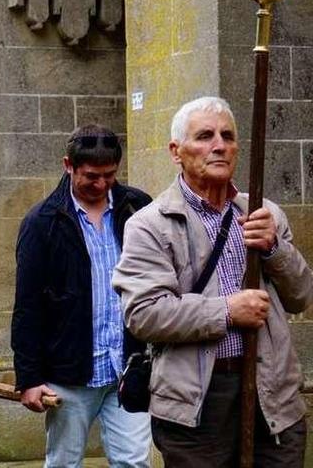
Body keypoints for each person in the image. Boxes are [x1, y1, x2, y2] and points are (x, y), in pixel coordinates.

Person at [112, 96, 313, 466]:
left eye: (227, 136)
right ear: (177, 151)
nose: (219, 145)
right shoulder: (150, 224)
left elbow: (301, 296)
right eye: (204, 136)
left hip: (272, 394)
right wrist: (226, 311)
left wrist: (274, 249)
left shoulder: (263, 215)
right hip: (196, 403)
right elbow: (144, 314)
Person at [11, 125, 153, 466]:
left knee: (135, 462)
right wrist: (29, 379)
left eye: (109, 175)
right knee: (63, 462)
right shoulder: (42, 221)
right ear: (68, 165)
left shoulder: (139, 208)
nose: (101, 184)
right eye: (91, 176)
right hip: (68, 371)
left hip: (128, 364)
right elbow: (27, 307)